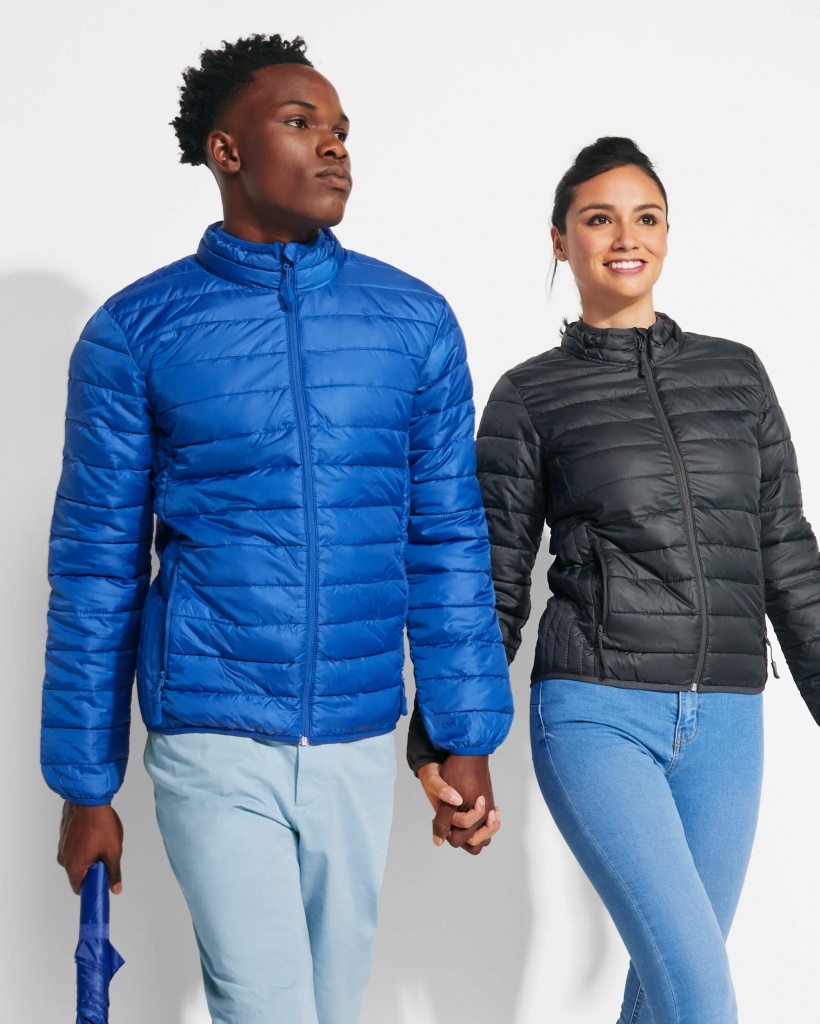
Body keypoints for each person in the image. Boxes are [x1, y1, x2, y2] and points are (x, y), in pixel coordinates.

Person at [41, 34, 513, 1024]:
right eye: (301, 124)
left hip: (355, 732)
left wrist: (463, 732)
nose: (333, 146)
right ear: (227, 151)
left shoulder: (414, 323)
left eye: (340, 129)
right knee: (265, 1007)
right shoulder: (136, 333)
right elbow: (96, 570)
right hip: (211, 733)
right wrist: (87, 787)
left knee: (330, 1009)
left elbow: (446, 541)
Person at [409, 136, 820, 1023]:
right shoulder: (530, 396)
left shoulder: (737, 374)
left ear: (667, 233)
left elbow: (786, 551)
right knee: (701, 996)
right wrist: (446, 739)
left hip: (728, 718)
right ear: (561, 241)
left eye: (646, 217)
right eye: (599, 219)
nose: (626, 237)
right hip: (597, 712)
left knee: (667, 991)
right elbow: (491, 581)